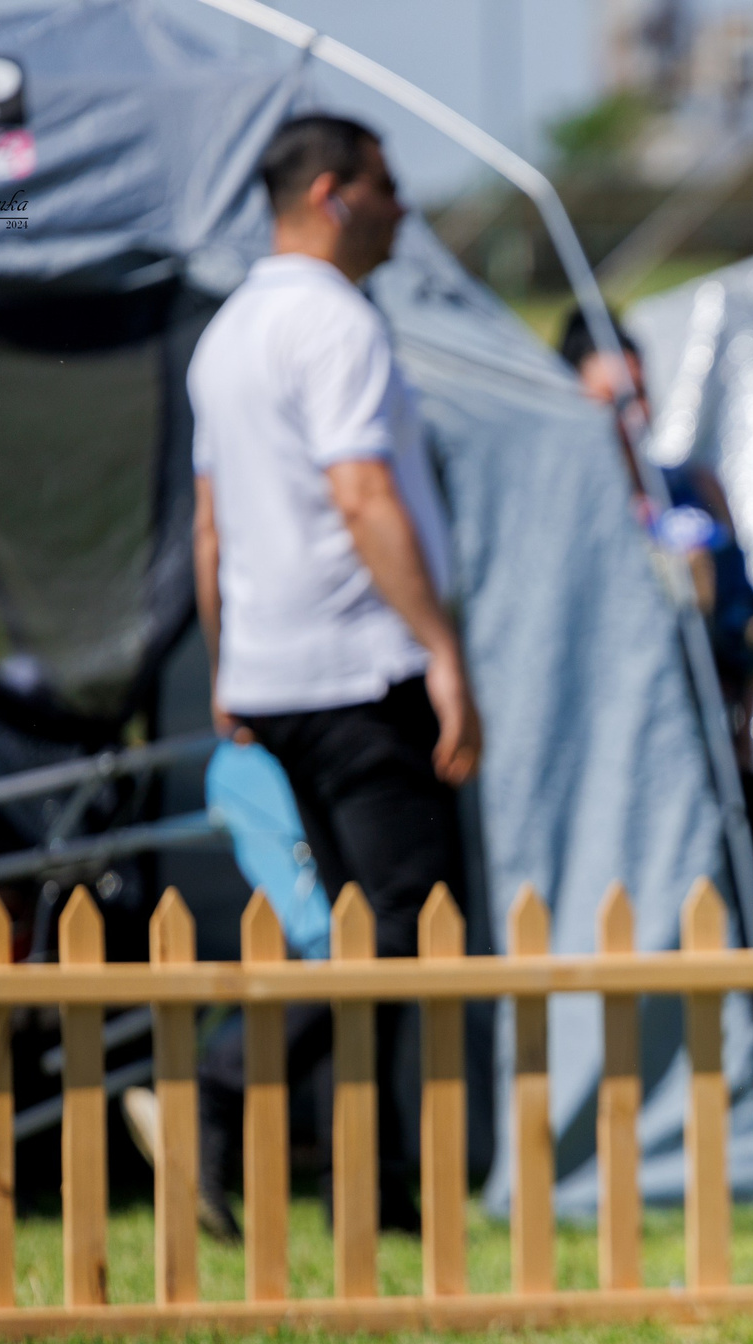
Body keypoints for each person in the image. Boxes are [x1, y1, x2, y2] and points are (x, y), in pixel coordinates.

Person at [188, 114, 479, 1228]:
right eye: (389, 185)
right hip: (359, 669)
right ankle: (234, 1089)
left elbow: (210, 526)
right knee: (408, 925)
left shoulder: (224, 334)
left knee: (363, 923)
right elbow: (362, 494)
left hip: (272, 673)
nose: (406, 207)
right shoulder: (338, 323)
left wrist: (226, 666)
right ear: (332, 192)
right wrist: (442, 653)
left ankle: (371, 1178)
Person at [557, 307, 753, 730]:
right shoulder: (569, 519)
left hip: (710, 729)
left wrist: (743, 736)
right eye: (614, 402)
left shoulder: (695, 489)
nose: (634, 416)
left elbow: (752, 624)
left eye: (639, 393)